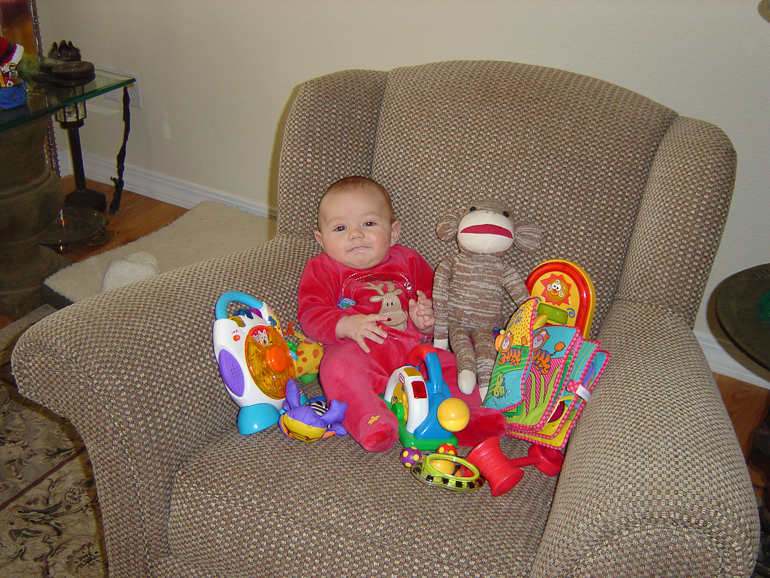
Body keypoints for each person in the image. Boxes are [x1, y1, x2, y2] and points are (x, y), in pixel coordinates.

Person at [297, 176, 505, 452]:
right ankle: (371, 420)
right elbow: (310, 314)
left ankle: (468, 416)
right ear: (321, 240)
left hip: (414, 350)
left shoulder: (408, 260)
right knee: (335, 370)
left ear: (393, 232)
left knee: (450, 364)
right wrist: (345, 323)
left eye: (369, 224)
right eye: (340, 228)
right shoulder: (323, 268)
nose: (355, 234)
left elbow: (437, 302)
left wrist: (428, 320)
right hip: (357, 351)